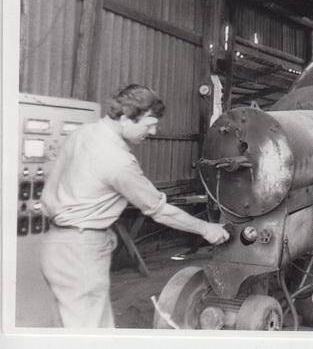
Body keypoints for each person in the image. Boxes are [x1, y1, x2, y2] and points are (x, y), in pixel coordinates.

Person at [40, 84, 229, 328]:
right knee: (91, 332)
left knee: (70, 325)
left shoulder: (83, 134)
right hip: (80, 252)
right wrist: (206, 228)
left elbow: (53, 186)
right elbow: (160, 211)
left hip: (55, 245)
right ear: (126, 117)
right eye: (149, 123)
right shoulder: (117, 160)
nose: (153, 130)